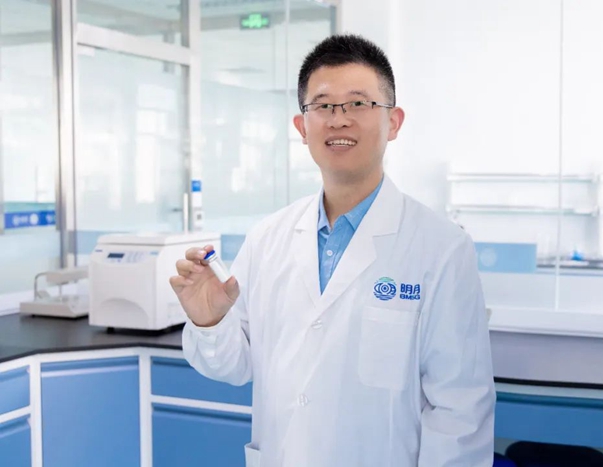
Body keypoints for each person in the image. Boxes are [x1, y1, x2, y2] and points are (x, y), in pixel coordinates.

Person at [170, 34, 495, 467]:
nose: (339, 120)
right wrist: (210, 321)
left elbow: (460, 412)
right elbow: (234, 367)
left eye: (358, 103)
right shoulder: (268, 238)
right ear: (302, 127)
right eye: (322, 106)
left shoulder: (442, 248)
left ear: (394, 122)